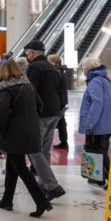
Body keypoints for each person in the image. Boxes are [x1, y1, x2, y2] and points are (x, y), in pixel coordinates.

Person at [0, 60, 53, 218]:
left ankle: (41, 202)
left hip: (13, 134)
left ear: (4, 72)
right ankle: (7, 200)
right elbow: (40, 106)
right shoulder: (28, 85)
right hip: (30, 131)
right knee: (12, 167)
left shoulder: (5, 89)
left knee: (21, 168)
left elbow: (3, 113)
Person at [22, 40, 66, 201]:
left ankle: (52, 185)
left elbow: (30, 91)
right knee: (44, 150)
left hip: (40, 114)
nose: (27, 55)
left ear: (32, 53)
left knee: (34, 150)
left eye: (27, 52)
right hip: (55, 113)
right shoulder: (53, 68)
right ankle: (44, 183)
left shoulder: (34, 67)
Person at [78, 57, 111, 189]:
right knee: (100, 150)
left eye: (83, 68)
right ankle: (98, 177)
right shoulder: (103, 79)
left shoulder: (95, 81)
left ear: (87, 68)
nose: (82, 70)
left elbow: (97, 103)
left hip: (99, 124)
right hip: (106, 122)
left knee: (98, 152)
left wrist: (90, 123)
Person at [47, 54, 70, 150]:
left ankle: (63, 142)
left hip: (58, 101)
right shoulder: (61, 71)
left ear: (54, 62)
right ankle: (64, 142)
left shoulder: (56, 72)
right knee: (61, 122)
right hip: (62, 100)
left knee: (57, 122)